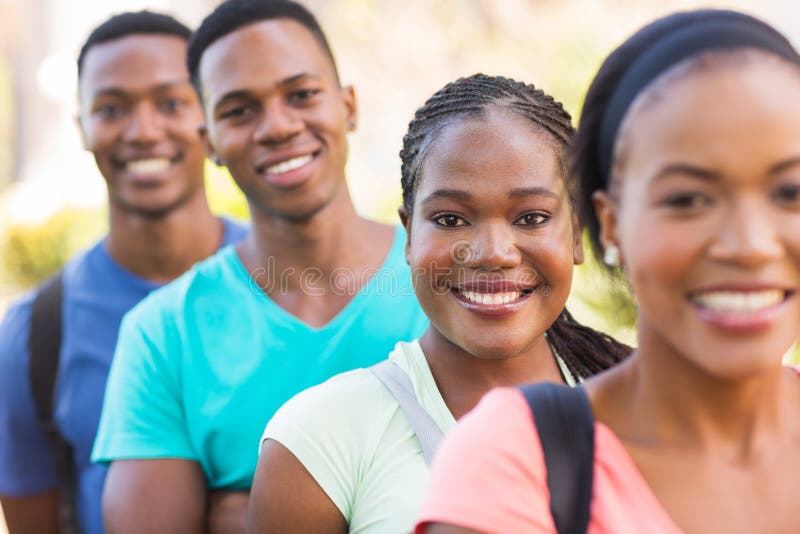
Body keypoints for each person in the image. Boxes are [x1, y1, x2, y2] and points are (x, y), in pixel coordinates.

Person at [416, 9, 800, 534]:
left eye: (790, 193)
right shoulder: (519, 465)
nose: (750, 245)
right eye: (688, 199)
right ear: (609, 223)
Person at [91, 1, 427, 532]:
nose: (277, 126)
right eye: (239, 110)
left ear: (349, 106)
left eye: (302, 95)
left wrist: (239, 512)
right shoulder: (163, 335)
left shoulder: (451, 283)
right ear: (210, 142)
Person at [248, 73, 630, 534]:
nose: (492, 252)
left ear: (576, 233)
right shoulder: (320, 437)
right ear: (409, 235)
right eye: (450, 219)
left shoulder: (650, 410)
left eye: (531, 217)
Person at [0, 11, 248, 534]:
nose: (143, 131)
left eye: (171, 103)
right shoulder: (35, 334)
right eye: (111, 108)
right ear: (82, 128)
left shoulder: (294, 283)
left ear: (210, 117)